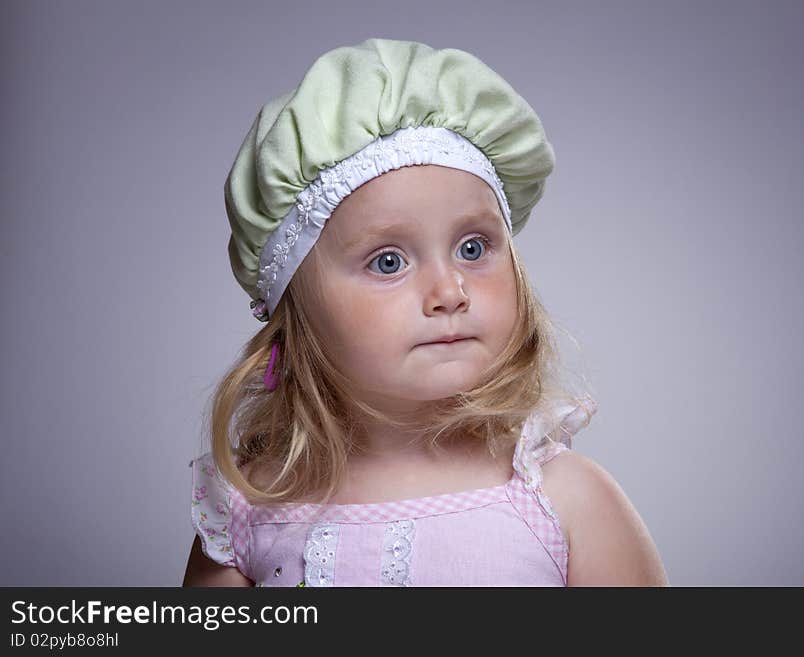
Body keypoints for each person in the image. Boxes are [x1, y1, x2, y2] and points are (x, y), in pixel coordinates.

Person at [182, 38, 668, 587]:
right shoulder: (250, 513)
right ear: (294, 313)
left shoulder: (568, 502)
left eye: (473, 247)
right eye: (388, 261)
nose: (450, 291)